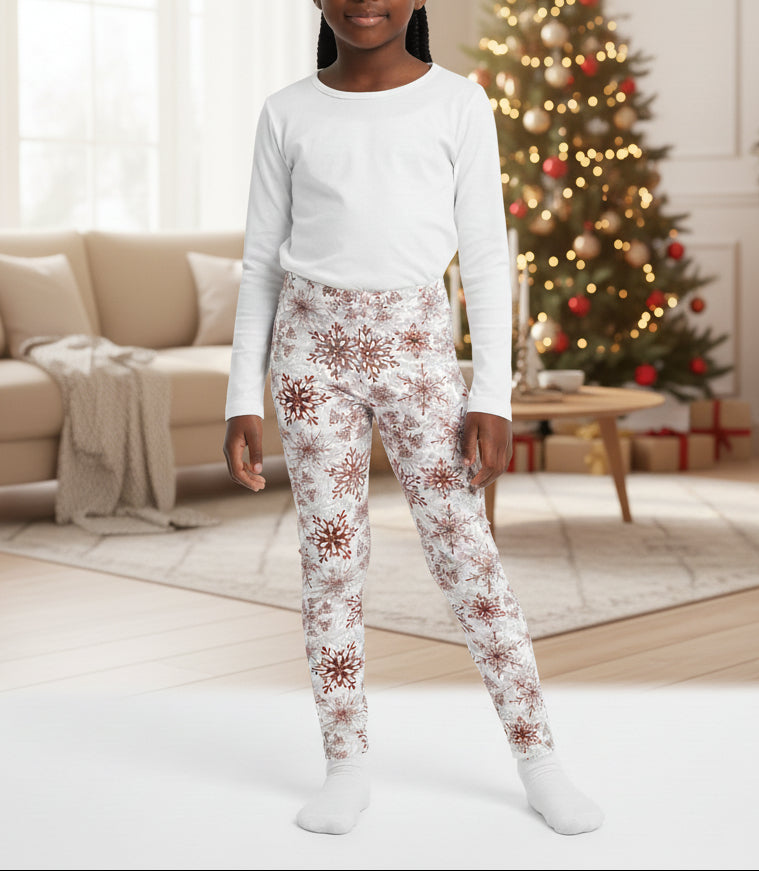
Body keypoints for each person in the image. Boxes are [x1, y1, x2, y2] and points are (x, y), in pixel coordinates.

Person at [222, 0, 603, 837]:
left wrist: (491, 395)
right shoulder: (287, 112)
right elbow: (259, 263)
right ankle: (345, 761)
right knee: (330, 562)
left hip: (420, 355)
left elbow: (488, 255)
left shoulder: (458, 104)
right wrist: (241, 395)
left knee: (465, 552)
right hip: (309, 359)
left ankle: (539, 756)